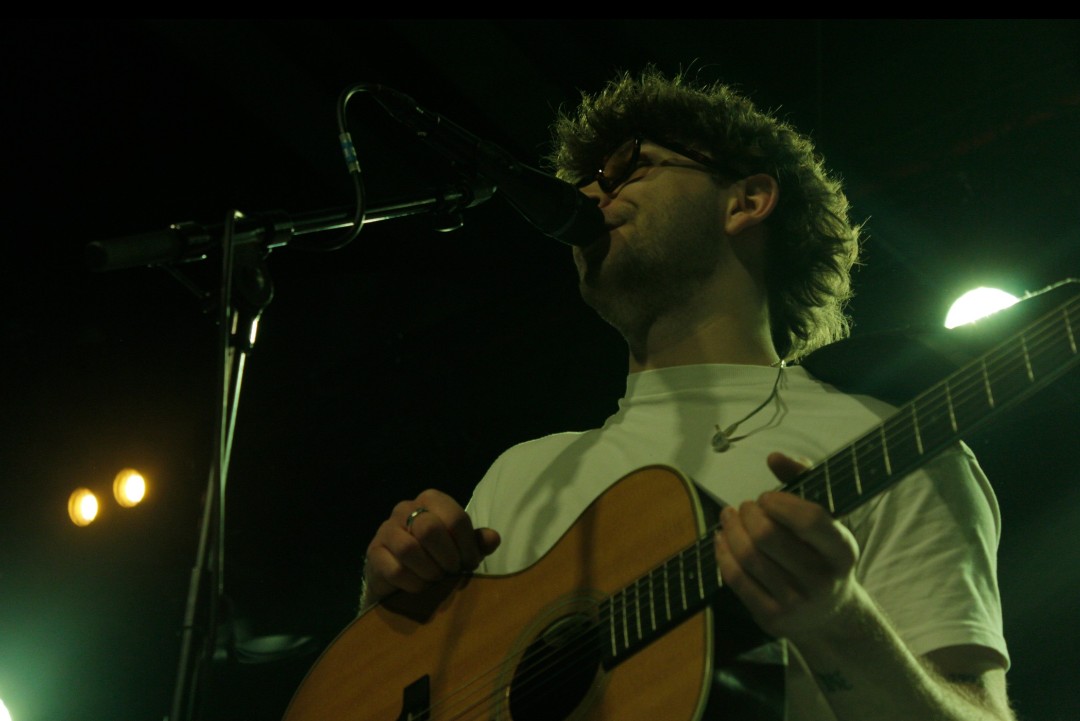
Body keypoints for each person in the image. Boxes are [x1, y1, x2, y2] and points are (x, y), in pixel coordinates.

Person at [359, 67, 1015, 721]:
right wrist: (386, 599)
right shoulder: (524, 474)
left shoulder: (883, 444)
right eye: (588, 179)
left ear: (746, 201)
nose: (590, 194)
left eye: (629, 167)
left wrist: (838, 620)